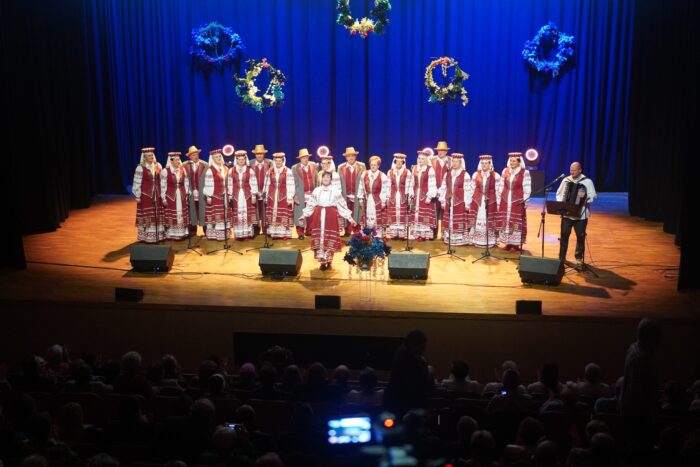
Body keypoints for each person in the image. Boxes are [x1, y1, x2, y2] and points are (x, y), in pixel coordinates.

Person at [300, 171, 356, 270]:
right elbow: (311, 204)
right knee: (320, 238)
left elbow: (342, 206)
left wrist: (350, 219)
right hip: (319, 215)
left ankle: (329, 260)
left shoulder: (335, 191)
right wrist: (303, 215)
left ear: (331, 179)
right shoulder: (317, 190)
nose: (326, 179)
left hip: (330, 215)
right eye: (324, 177)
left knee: (329, 238)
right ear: (321, 179)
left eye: (328, 177)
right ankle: (322, 262)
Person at [555, 161, 597, 269]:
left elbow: (594, 196)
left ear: (580, 170)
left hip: (580, 215)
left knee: (580, 237)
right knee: (564, 236)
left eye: (574, 170)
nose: (572, 172)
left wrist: (585, 198)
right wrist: (563, 201)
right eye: (571, 170)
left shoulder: (587, 181)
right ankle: (561, 257)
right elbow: (558, 194)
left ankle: (578, 258)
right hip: (567, 214)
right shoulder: (566, 180)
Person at [497, 152, 531, 251]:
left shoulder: (525, 172)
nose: (511, 162)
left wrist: (525, 200)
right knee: (506, 220)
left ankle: (515, 244)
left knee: (515, 221)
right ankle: (508, 243)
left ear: (519, 162)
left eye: (514, 161)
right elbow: (501, 185)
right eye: (510, 160)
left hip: (517, 200)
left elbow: (527, 188)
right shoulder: (505, 171)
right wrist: (500, 198)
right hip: (506, 199)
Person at [468, 155, 503, 248]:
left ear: (490, 164)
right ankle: (476, 239)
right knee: (478, 218)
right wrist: (470, 201)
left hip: (490, 201)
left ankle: (490, 240)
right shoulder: (475, 175)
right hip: (478, 201)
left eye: (486, 163)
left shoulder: (496, 175)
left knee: (490, 219)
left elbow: (498, 191)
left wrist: (498, 203)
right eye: (482, 163)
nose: (484, 165)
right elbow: (472, 188)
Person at [132, 147, 165, 243]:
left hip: (157, 193)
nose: (151, 157)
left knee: (157, 213)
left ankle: (158, 235)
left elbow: (162, 179)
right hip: (146, 195)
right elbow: (136, 182)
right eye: (149, 156)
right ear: (144, 157)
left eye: (152, 155)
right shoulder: (140, 168)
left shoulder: (158, 166)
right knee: (147, 214)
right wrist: (137, 195)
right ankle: (147, 237)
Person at [439, 153, 472, 246]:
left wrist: (467, 203)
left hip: (460, 202)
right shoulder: (448, 173)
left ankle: (459, 239)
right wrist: (442, 200)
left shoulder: (465, 175)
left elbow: (467, 190)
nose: (454, 163)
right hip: (449, 201)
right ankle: (449, 237)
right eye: (453, 161)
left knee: (459, 219)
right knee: (449, 218)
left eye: (456, 162)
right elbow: (443, 187)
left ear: (460, 163)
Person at [228, 150, 258, 240]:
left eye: (243, 159)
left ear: (245, 159)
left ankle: (247, 233)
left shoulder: (250, 170)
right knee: (238, 214)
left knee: (247, 213)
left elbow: (253, 183)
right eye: (239, 159)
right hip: (236, 196)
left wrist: (253, 195)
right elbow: (229, 183)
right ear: (236, 160)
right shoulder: (231, 171)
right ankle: (239, 234)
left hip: (247, 195)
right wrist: (230, 195)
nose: (241, 161)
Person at [264, 152, 295, 239]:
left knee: (283, 214)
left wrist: (289, 197)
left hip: (283, 196)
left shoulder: (287, 171)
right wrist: (266, 195)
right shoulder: (270, 171)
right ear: (274, 161)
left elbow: (291, 185)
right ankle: (273, 232)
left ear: (283, 161)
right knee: (273, 214)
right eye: (276, 161)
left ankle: (284, 233)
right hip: (272, 196)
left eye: (280, 161)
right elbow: (267, 184)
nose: (278, 163)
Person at [202, 149, 231, 241]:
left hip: (225, 196)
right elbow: (208, 184)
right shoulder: (210, 170)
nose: (218, 158)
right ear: (212, 159)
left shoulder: (225, 168)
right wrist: (209, 196)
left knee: (224, 215)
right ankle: (215, 235)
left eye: (219, 156)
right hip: (215, 196)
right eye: (216, 157)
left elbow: (229, 182)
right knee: (216, 215)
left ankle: (225, 234)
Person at [357, 155, 390, 237]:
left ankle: (377, 234)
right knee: (367, 215)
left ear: (378, 165)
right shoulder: (365, 174)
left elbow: (385, 190)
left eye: (375, 165)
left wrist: (383, 201)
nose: (373, 166)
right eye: (371, 164)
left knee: (377, 215)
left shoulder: (382, 176)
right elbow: (361, 186)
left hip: (377, 199)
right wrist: (360, 198)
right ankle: (368, 232)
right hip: (367, 199)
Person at [160, 152, 190, 241]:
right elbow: (163, 185)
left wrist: (187, 193)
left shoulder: (182, 170)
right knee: (173, 213)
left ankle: (182, 232)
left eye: (178, 159)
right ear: (171, 161)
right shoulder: (165, 171)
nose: (178, 161)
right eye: (176, 160)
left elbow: (186, 182)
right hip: (171, 195)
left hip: (181, 194)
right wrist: (163, 198)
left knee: (181, 212)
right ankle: (172, 233)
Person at [337, 147, 366, 236]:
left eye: (352, 155)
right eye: (349, 156)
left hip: (357, 194)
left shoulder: (361, 166)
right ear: (346, 157)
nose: (351, 158)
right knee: (346, 212)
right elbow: (338, 182)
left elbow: (364, 180)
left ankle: (357, 231)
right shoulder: (341, 167)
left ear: (355, 156)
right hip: (345, 195)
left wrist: (362, 196)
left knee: (357, 213)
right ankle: (348, 230)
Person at [410, 151, 438, 240]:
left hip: (425, 195)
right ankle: (417, 234)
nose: (420, 160)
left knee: (424, 214)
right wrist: (411, 192)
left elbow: (432, 183)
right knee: (416, 214)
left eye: (422, 159)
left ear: (426, 160)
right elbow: (412, 182)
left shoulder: (430, 169)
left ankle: (425, 234)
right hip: (416, 195)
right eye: (419, 158)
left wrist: (429, 196)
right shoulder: (415, 168)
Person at [291, 148, 318, 240]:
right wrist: (294, 196)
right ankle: (300, 233)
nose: (305, 159)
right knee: (300, 214)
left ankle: (310, 231)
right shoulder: (295, 168)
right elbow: (292, 183)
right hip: (300, 194)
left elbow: (316, 180)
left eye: (306, 157)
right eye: (303, 158)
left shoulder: (313, 166)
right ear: (300, 159)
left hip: (312, 194)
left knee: (311, 213)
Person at [386, 153, 414, 239]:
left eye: (400, 162)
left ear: (403, 162)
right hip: (393, 196)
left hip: (402, 195)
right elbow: (388, 185)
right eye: (397, 162)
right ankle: (394, 233)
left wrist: (409, 196)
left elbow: (410, 184)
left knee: (402, 214)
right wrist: (387, 196)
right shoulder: (390, 172)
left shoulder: (407, 172)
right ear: (394, 162)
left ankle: (402, 234)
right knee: (393, 213)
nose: (399, 163)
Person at [184, 145, 208, 237]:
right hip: (191, 191)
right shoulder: (185, 165)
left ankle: (205, 229)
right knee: (191, 210)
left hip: (201, 191)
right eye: (193, 155)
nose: (195, 156)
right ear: (190, 156)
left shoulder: (205, 165)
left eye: (196, 154)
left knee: (203, 209)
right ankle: (193, 230)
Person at [249, 144, 271, 236]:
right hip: (254, 192)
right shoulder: (250, 164)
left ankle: (266, 230)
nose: (259, 155)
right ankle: (256, 230)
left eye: (261, 153)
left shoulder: (270, 163)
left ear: (264, 154)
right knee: (255, 211)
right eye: (258, 154)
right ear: (255, 154)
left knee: (266, 212)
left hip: (267, 192)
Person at [431, 141, 451, 238]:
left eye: (442, 150)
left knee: (444, 211)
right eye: (439, 150)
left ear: (446, 151)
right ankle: (433, 232)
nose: (440, 152)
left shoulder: (451, 160)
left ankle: (444, 233)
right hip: (434, 189)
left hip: (446, 190)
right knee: (434, 211)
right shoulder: (432, 160)